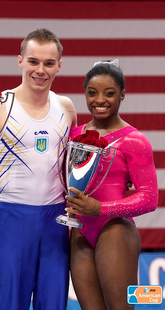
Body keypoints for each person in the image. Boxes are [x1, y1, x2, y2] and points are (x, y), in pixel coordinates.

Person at [0, 28, 77, 310]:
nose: (40, 70)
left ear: (59, 64)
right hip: (13, 219)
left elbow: (73, 167)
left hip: (56, 221)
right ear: (20, 61)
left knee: (54, 305)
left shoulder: (66, 108)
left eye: (48, 63)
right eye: (33, 61)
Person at [65, 59, 158, 310]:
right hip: (80, 231)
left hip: (116, 230)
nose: (100, 100)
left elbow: (150, 198)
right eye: (92, 93)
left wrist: (100, 209)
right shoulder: (73, 136)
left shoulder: (134, 140)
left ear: (123, 94)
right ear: (84, 92)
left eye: (109, 93)